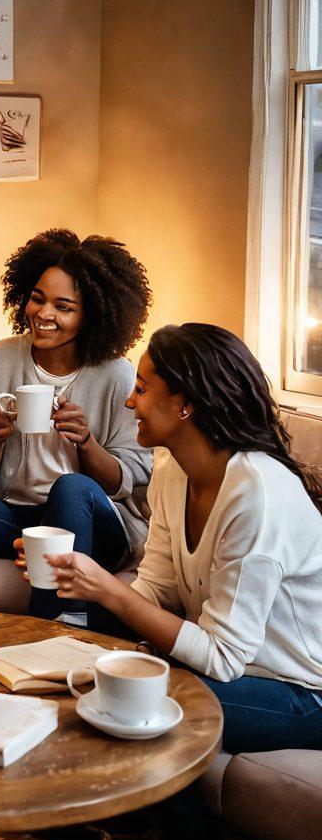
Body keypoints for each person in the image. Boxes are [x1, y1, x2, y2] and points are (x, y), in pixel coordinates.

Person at [31, 323, 322, 755]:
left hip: (299, 692)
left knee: (136, 699)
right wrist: (71, 576)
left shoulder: (256, 492)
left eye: (142, 389)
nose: (131, 401)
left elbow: (223, 658)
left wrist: (108, 588)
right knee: (89, 671)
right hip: (233, 671)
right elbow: (158, 591)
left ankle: (128, 824)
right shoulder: (172, 470)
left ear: (184, 404)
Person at [0, 229, 153, 624]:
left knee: (72, 487)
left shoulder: (117, 376)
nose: (44, 314)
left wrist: (87, 443)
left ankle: (59, 626)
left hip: (93, 524)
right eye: (37, 298)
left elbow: (129, 478)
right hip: (15, 517)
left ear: (93, 313)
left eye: (63, 307)